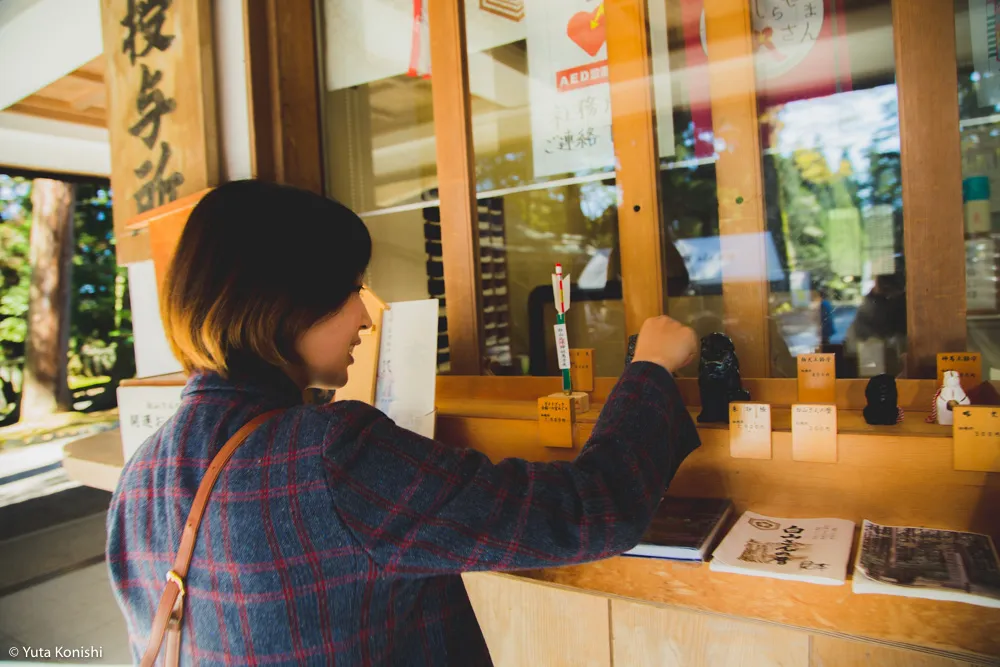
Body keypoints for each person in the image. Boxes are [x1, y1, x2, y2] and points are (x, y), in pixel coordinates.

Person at [106, 179, 701, 666]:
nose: (367, 316)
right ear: (282, 303)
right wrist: (650, 369)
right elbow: (587, 511)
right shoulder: (328, 455)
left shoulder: (139, 479)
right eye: (350, 290)